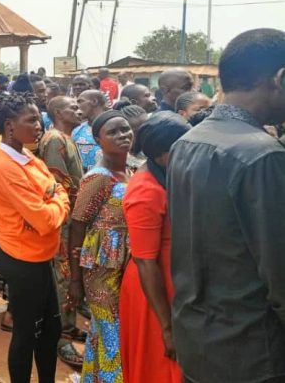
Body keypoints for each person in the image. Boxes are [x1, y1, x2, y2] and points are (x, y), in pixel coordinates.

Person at [168, 28, 285, 383]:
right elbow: (280, 274)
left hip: (198, 338)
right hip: (252, 353)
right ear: (280, 79)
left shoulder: (187, 142)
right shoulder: (262, 156)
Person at [0, 93, 70, 383]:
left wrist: (54, 196)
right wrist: (56, 199)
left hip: (40, 254)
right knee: (26, 331)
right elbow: (45, 219)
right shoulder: (6, 167)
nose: (40, 125)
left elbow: (57, 188)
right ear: (10, 126)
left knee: (50, 329)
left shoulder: (26, 156)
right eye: (32, 119)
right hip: (23, 258)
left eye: (39, 118)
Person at [119, 112, 190, 383]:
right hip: (153, 293)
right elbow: (145, 260)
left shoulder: (166, 176)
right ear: (163, 153)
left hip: (170, 282)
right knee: (160, 365)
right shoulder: (146, 191)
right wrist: (167, 327)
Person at [67, 111, 133, 383]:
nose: (122, 136)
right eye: (113, 132)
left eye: (125, 129)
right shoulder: (98, 177)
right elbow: (78, 224)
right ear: (97, 139)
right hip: (101, 266)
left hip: (124, 262)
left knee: (105, 328)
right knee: (110, 328)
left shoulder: (129, 170)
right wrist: (75, 279)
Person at [38, 95, 85, 370]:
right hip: (64, 217)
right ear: (57, 112)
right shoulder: (54, 139)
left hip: (72, 215)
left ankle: (68, 326)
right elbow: (58, 182)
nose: (78, 110)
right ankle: (61, 335)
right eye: (72, 107)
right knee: (64, 274)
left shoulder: (66, 137)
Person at [72, 90, 108, 171]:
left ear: (94, 101)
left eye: (80, 101)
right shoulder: (76, 131)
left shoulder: (115, 128)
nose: (77, 106)